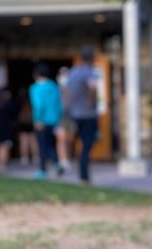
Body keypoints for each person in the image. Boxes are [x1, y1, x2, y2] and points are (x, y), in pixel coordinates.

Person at [66, 46, 99, 185]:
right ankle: (84, 176)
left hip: (74, 113)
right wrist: (92, 101)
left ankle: (77, 169)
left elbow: (66, 91)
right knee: (87, 145)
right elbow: (92, 88)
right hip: (88, 114)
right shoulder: (89, 72)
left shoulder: (72, 72)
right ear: (91, 58)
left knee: (75, 143)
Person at [29, 62, 63, 179]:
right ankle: (56, 164)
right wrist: (58, 119)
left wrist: (38, 119)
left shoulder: (35, 88)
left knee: (43, 146)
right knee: (51, 144)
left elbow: (38, 105)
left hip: (42, 121)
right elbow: (59, 105)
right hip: (54, 120)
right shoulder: (53, 86)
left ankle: (42, 170)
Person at [55, 66, 74, 173]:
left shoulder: (72, 88)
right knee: (61, 139)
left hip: (71, 116)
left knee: (69, 139)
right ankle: (63, 160)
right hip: (59, 117)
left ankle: (68, 158)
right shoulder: (55, 89)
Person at [16, 89, 38, 165]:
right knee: (31, 141)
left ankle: (25, 157)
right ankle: (34, 157)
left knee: (25, 141)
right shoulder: (34, 100)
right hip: (29, 122)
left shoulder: (22, 102)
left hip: (26, 122)